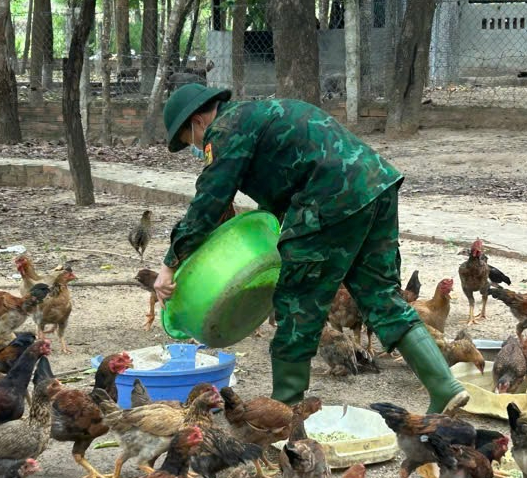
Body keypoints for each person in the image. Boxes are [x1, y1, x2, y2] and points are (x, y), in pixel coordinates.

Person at [152, 82, 468, 412]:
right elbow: (286, 178)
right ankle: (444, 387)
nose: (198, 147)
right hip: (376, 184)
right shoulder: (259, 114)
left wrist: (170, 264)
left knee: (297, 302)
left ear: (197, 122)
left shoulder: (226, 129)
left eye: (191, 142)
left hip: (330, 199)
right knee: (380, 295)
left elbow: (209, 201)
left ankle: (283, 414)